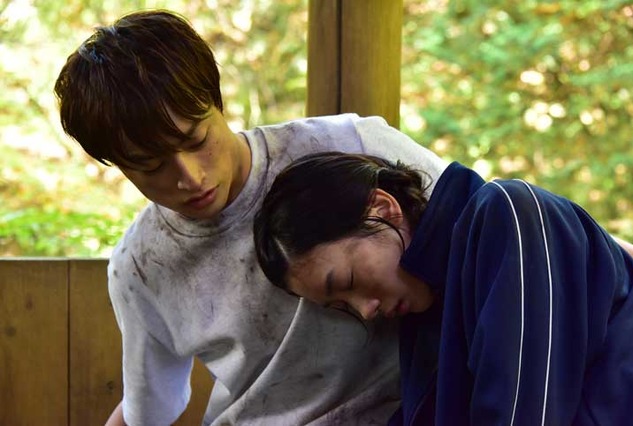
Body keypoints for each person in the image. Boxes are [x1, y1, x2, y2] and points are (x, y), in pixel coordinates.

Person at [53, 9, 450, 426]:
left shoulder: (350, 145)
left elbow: (477, 234)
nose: (190, 177)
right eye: (152, 167)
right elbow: (147, 409)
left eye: (197, 139)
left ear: (217, 102)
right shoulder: (140, 266)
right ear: (119, 167)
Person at [253, 151, 633, 425]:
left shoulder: (507, 214)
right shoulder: (426, 319)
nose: (365, 311)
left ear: (383, 209)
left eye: (348, 282)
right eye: (342, 306)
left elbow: (523, 412)